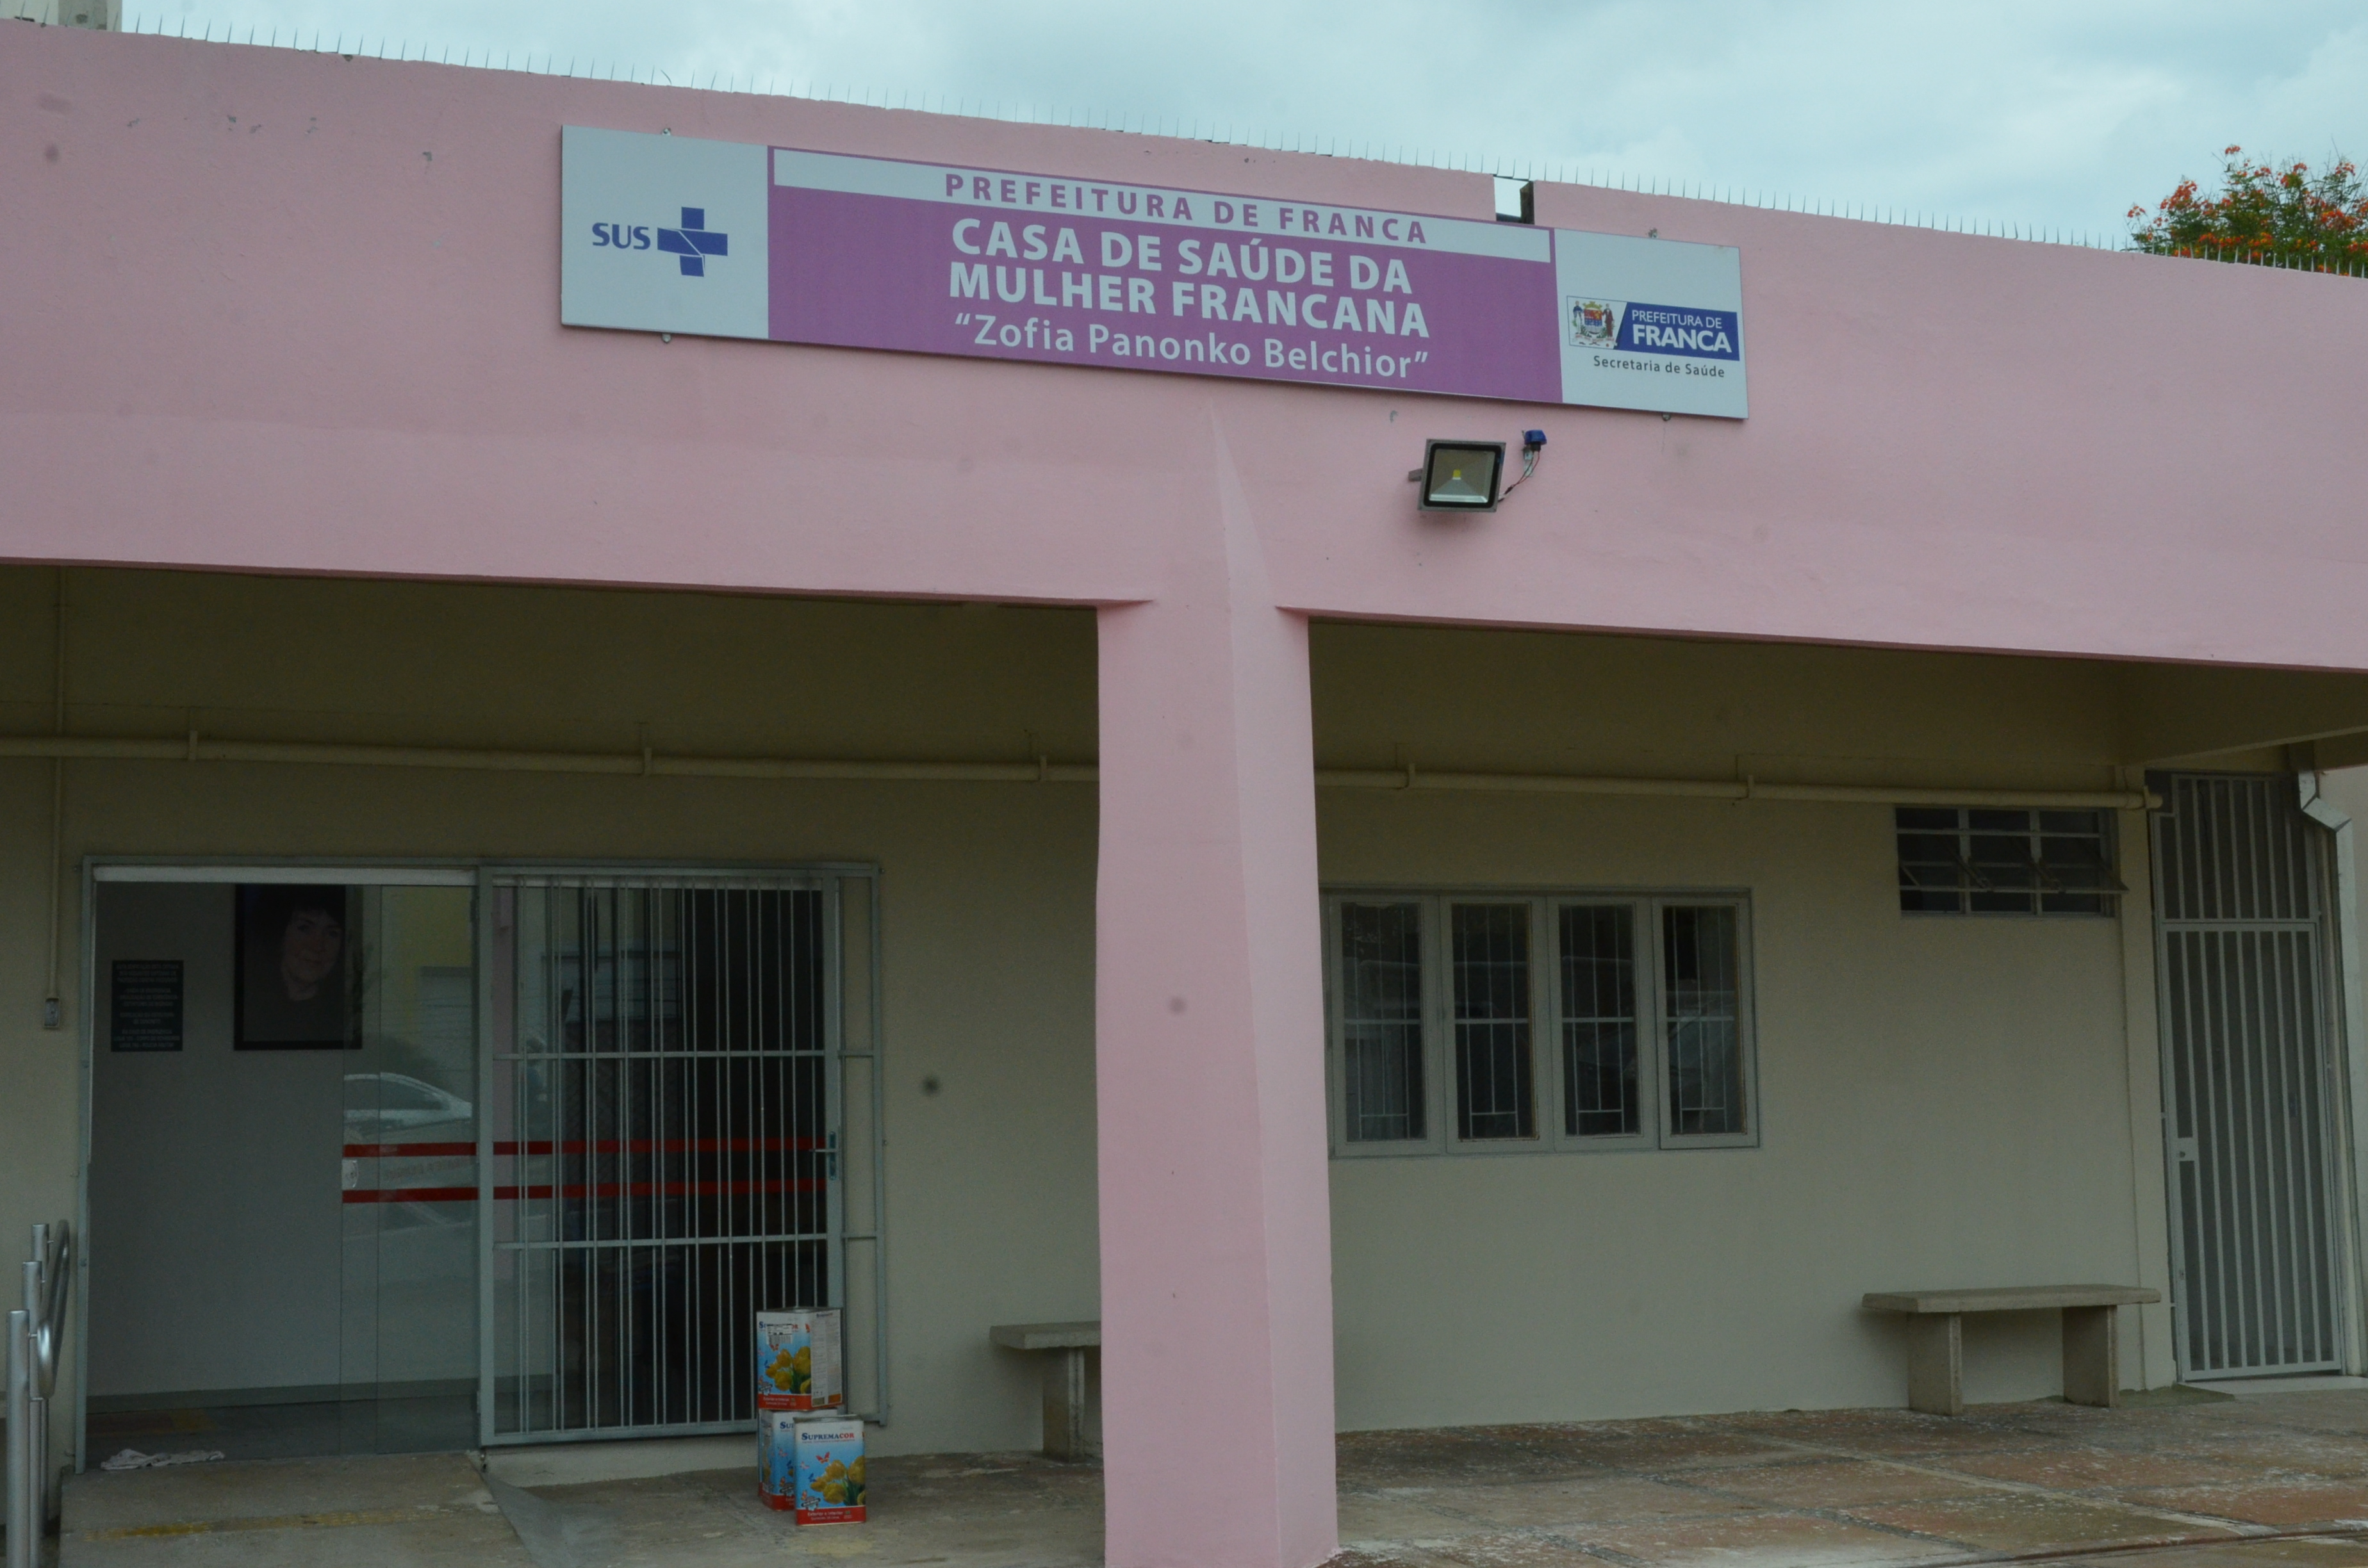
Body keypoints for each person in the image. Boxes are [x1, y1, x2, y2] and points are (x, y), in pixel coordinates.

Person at [238, 885, 350, 1047]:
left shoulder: (343, 1018)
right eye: (305, 928)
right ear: (280, 933)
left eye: (332, 933)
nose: (318, 945)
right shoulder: (251, 1008)